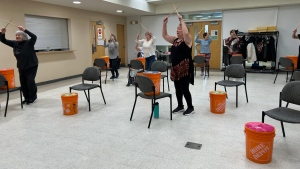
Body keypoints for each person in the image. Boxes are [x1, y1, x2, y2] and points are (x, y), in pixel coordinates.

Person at [162, 14, 194, 116]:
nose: (178, 30)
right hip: (176, 68)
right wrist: (164, 24)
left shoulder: (188, 40)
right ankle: (180, 105)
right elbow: (164, 35)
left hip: (185, 68)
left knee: (185, 89)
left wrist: (181, 20)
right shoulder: (175, 40)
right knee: (177, 89)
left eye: (179, 29)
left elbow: (186, 32)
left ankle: (190, 107)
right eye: (177, 29)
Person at [0, 26, 38, 104]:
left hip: (31, 65)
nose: (17, 36)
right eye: (16, 35)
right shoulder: (14, 44)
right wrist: (2, 33)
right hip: (21, 66)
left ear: (23, 36)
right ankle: (26, 97)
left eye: (19, 35)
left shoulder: (29, 42)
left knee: (30, 81)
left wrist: (24, 30)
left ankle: (33, 97)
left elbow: (34, 36)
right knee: (23, 82)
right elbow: (3, 40)